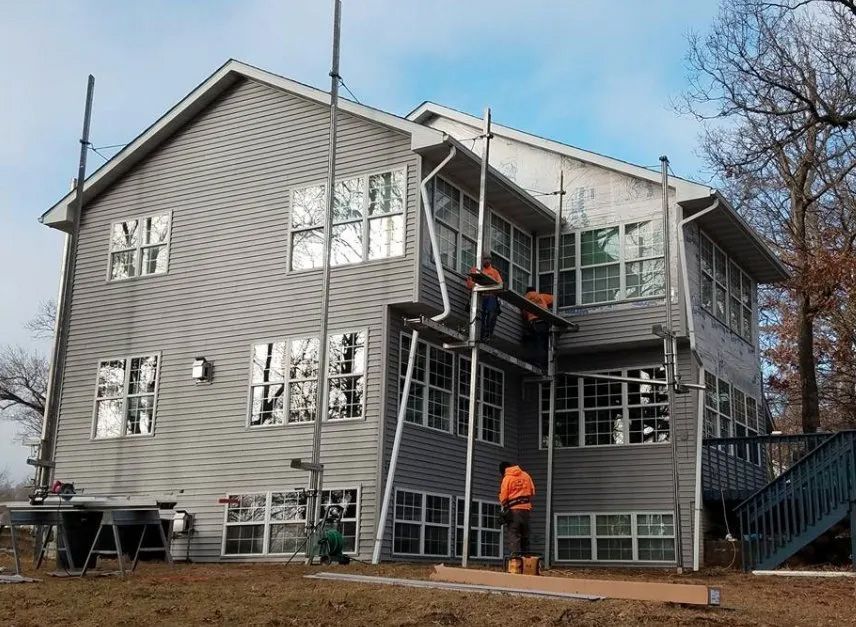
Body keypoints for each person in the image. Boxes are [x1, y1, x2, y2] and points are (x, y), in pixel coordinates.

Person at [498, 461, 535, 556]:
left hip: (514, 511)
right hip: (526, 510)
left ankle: (516, 561)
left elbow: (504, 497)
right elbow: (532, 491)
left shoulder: (507, 478)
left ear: (503, 470)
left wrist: (505, 507)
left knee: (514, 535)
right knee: (525, 536)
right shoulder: (526, 475)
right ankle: (527, 562)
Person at [466, 257, 503, 341]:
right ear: (481, 260)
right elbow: (469, 285)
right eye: (484, 259)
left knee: (491, 314)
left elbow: (500, 285)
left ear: (490, 260)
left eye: (488, 259)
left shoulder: (494, 272)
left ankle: (487, 334)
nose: (486, 261)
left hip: (490, 296)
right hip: (480, 296)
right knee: (479, 316)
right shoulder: (474, 270)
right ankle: (480, 334)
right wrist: (479, 284)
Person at [523, 286, 554, 368]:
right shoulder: (541, 296)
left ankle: (537, 363)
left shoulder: (525, 298)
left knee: (537, 343)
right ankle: (546, 363)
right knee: (545, 343)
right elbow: (554, 298)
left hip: (535, 323)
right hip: (545, 322)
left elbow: (524, 314)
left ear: (526, 292)